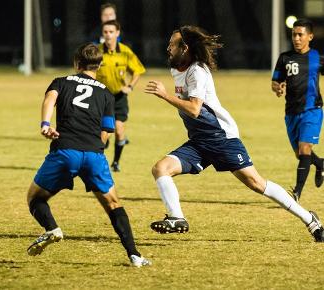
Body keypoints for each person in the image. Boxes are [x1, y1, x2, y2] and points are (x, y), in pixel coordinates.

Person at [144, 25, 324, 242]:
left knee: (257, 183)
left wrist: (164, 95)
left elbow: (194, 108)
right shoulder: (176, 69)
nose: (167, 48)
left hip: (222, 137)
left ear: (185, 48)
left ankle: (310, 220)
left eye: (172, 44)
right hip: (200, 141)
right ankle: (177, 218)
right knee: (160, 168)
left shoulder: (197, 71)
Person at [26, 43, 151, 267]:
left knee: (35, 198)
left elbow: (49, 100)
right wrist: (94, 153)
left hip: (65, 151)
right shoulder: (105, 94)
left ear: (76, 63)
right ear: (99, 65)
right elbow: (106, 132)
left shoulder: (61, 82)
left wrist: (46, 124)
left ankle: (53, 229)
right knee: (113, 204)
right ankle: (135, 255)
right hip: (94, 155)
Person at [271, 18, 324, 202]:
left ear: (310, 36)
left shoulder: (318, 58)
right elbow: (275, 81)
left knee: (304, 148)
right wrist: (277, 87)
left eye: (300, 34)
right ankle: (321, 164)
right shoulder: (285, 58)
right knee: (301, 155)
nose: (296, 38)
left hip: (312, 110)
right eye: (294, 34)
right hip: (291, 112)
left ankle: (297, 193)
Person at [97, 20, 146, 172]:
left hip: (119, 98)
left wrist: (130, 86)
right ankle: (99, 162)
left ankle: (116, 162)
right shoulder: (97, 52)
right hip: (102, 98)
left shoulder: (125, 51)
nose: (108, 35)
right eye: (105, 32)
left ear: (117, 33)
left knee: (119, 130)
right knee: (104, 135)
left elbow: (138, 70)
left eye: (111, 32)